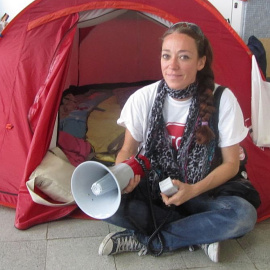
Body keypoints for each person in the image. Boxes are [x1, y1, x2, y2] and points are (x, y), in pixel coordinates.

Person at [98, 22, 257, 263]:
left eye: (183, 57)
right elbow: (127, 150)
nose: (172, 66)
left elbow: (231, 164)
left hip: (203, 192)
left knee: (243, 215)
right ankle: (199, 233)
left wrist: (192, 190)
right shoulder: (144, 98)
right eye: (166, 56)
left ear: (200, 62)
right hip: (154, 191)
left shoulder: (222, 99)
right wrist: (125, 175)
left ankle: (148, 238)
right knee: (105, 200)